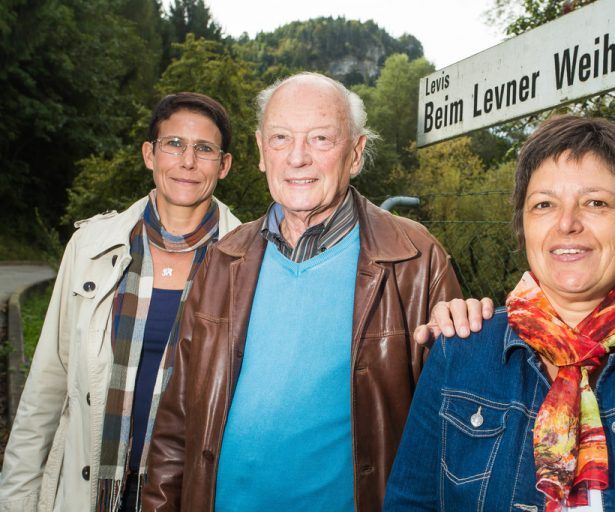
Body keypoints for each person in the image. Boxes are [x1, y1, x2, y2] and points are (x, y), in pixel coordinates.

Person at [384, 116, 615, 511]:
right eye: (544, 205)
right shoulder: (461, 352)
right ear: (523, 226)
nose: (567, 224)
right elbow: (409, 503)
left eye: (596, 202)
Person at [141, 72, 462, 512]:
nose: (297, 158)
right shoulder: (223, 260)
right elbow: (176, 422)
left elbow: (453, 432)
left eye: (321, 139)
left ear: (356, 153)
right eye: (280, 138)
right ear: (260, 152)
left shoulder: (416, 258)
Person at [0, 92, 241, 512]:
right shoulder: (91, 246)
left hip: (190, 496)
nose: (187, 161)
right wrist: (15, 499)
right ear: (149, 154)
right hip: (86, 491)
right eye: (174, 144)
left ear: (224, 165)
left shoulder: (249, 261)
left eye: (204, 149)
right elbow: (46, 387)